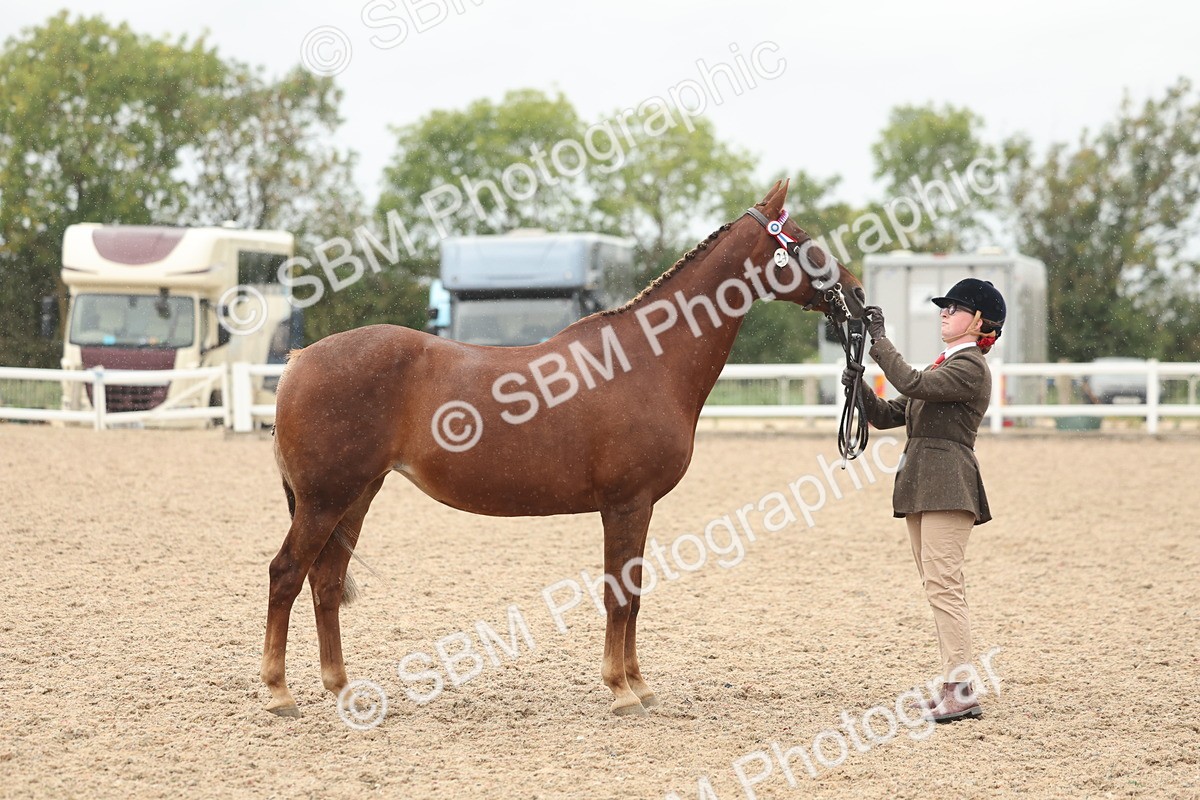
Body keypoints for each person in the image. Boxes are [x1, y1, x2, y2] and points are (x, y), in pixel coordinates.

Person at [842, 278, 1005, 724]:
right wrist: (858, 391)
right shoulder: (945, 364)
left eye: (954, 308)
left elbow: (909, 382)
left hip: (948, 484)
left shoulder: (970, 367)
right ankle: (954, 684)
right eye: (945, 307)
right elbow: (892, 413)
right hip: (923, 483)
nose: (944, 313)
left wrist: (880, 340)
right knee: (938, 587)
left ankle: (961, 690)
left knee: (945, 587)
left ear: (977, 321)